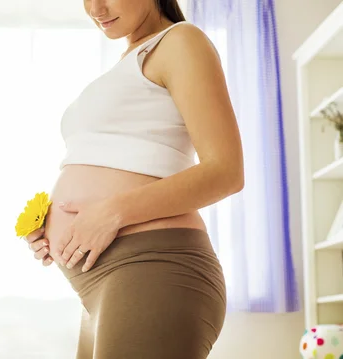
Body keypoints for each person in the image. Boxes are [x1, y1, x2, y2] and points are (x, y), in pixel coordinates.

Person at [23, 0, 244, 358]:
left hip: (153, 269)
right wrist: (50, 225)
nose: (95, 8)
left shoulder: (180, 41)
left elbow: (226, 172)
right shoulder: (130, 60)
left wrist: (111, 212)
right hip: (104, 286)